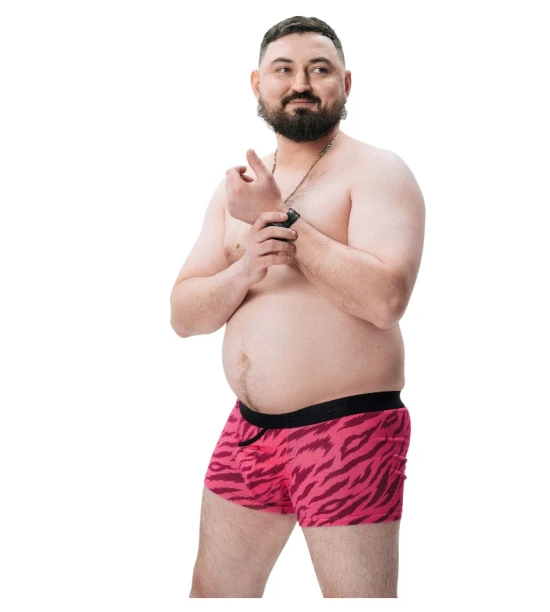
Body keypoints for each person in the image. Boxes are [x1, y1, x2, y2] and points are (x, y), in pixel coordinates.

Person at [170, 15, 425, 598]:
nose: (301, 83)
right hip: (249, 431)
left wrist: (280, 219)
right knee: (214, 594)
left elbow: (386, 300)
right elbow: (183, 315)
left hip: (347, 430)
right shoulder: (236, 189)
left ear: (346, 83)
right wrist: (245, 269)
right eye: (283, 69)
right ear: (257, 83)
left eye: (320, 69)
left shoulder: (378, 171)